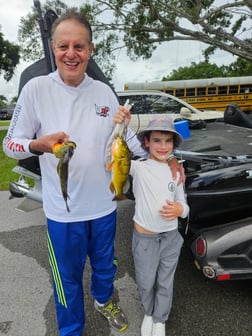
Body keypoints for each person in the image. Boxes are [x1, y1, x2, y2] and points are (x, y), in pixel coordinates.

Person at [2, 10, 182, 336]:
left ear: (90, 49)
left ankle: (103, 301)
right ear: (54, 47)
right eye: (64, 46)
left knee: (104, 268)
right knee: (67, 279)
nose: (71, 54)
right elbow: (9, 145)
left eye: (79, 46)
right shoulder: (36, 90)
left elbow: (127, 142)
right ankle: (71, 330)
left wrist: (163, 160)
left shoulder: (103, 92)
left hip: (104, 208)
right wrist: (38, 144)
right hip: (63, 214)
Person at [127, 115, 189, 336]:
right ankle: (148, 312)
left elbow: (184, 204)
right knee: (146, 280)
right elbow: (111, 154)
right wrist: (121, 125)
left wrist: (180, 210)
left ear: (173, 143)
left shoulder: (177, 170)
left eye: (168, 141)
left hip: (171, 238)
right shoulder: (137, 167)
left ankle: (160, 319)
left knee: (165, 281)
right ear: (146, 142)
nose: (163, 146)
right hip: (145, 239)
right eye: (156, 140)